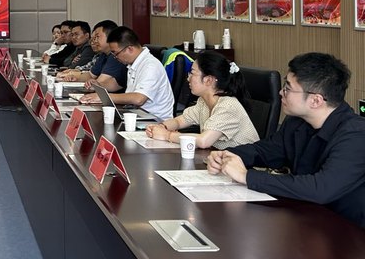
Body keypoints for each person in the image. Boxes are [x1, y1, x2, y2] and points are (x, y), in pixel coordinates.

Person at [208, 52, 365, 227]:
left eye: (288, 88)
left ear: (316, 100)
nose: (281, 92)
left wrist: (246, 176)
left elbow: (321, 188)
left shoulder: (356, 135)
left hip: (348, 231)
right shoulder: (297, 122)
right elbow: (266, 151)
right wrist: (227, 155)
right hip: (307, 220)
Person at [145, 51, 259, 149]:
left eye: (192, 73)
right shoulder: (203, 102)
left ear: (208, 80)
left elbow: (204, 141)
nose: (188, 78)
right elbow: (179, 121)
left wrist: (167, 135)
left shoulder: (228, 106)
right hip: (219, 159)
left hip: (245, 165)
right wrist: (161, 127)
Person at [104, 26, 174, 121]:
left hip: (156, 121)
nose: (115, 58)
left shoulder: (151, 66)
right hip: (137, 114)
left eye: (116, 54)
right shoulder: (133, 63)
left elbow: (139, 99)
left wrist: (106, 97)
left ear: (130, 49)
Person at [59, 20, 126, 91]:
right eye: (93, 38)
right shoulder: (103, 55)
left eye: (97, 37)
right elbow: (90, 75)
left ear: (110, 36)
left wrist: (90, 83)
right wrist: (76, 78)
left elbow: (99, 83)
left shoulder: (116, 56)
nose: (94, 41)